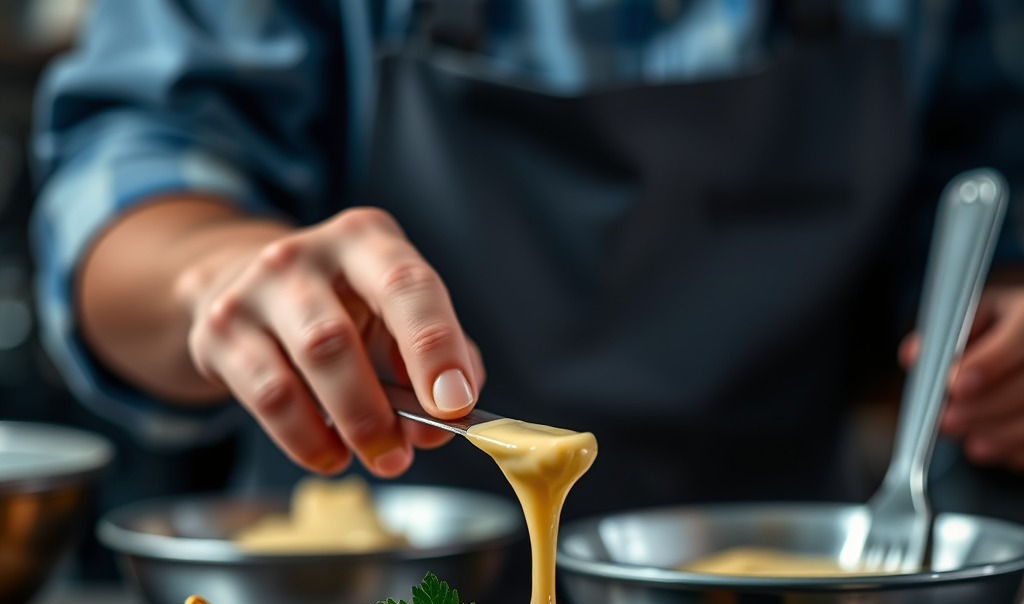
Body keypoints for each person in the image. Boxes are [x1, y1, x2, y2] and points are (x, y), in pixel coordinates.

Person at [30, 0, 1024, 514]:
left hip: (781, 602)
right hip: (354, 602)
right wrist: (214, 270)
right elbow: (128, 174)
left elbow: (983, 175)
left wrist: (999, 313)